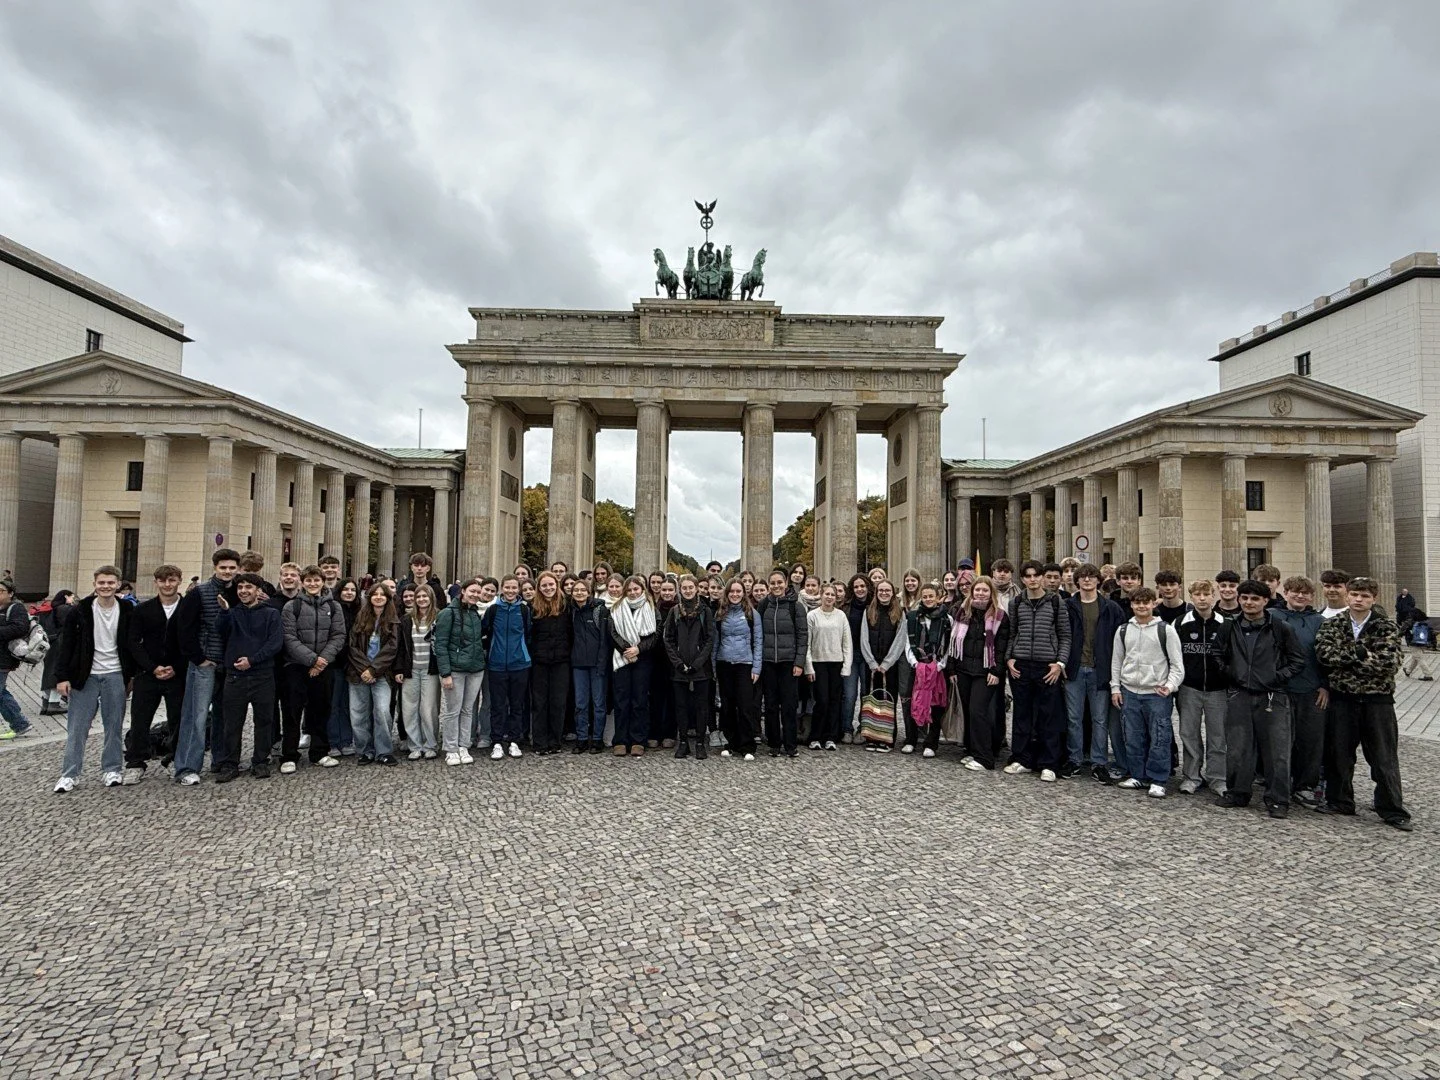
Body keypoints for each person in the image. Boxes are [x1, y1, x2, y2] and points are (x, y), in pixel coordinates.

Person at [1313, 576, 1412, 831]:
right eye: (1355, 595)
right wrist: (1361, 654)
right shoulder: (1333, 624)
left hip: (1377, 701)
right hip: (1343, 699)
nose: (1359, 600)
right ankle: (1340, 801)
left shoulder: (1385, 626)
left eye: (1365, 596)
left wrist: (1349, 659)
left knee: (1383, 758)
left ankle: (1392, 809)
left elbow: (1389, 663)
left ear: (1373, 599)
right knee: (1339, 755)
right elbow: (1325, 655)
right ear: (1348, 596)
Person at [1216, 580, 1305, 818]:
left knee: (1277, 752)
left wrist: (1276, 677)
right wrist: (1232, 674)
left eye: (1254, 599)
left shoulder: (1280, 627)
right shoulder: (1229, 626)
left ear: (1265, 601)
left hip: (1273, 696)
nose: (1249, 603)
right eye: (1244, 598)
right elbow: (1217, 654)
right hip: (1240, 693)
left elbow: (1297, 660)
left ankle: (1277, 800)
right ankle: (1237, 792)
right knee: (1238, 748)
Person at [53, 566, 136, 792]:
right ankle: (70, 774)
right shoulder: (80, 610)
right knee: (77, 728)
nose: (106, 586)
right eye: (101, 582)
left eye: (110, 582)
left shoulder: (128, 609)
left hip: (115, 673)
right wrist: (61, 677)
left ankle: (112, 769)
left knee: (114, 725)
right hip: (85, 675)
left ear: (118, 585)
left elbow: (133, 644)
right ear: (94, 584)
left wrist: (132, 675)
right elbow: (66, 645)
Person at [172, 548, 242, 786]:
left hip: (228, 664)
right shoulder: (199, 593)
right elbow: (185, 629)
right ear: (215, 568)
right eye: (223, 568)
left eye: (231, 568)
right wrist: (198, 658)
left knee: (224, 716)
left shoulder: (239, 591)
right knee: (196, 716)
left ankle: (221, 760)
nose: (227, 572)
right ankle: (187, 767)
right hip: (205, 663)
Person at [1110, 587, 1185, 799]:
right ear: (1132, 605)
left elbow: (1177, 664)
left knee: (1159, 737)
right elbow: (1117, 661)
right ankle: (1138, 775)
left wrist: (1170, 686)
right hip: (1130, 690)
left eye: (1146, 602)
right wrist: (1115, 687)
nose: (1141, 606)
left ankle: (1158, 779)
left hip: (1156, 693)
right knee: (1133, 737)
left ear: (1153, 604)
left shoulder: (1166, 630)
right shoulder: (1123, 630)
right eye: (1137, 602)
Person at [213, 572, 286, 783]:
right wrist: (224, 611)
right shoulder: (232, 613)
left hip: (262, 674)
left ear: (258, 590)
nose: (243, 591)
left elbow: (275, 643)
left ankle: (260, 761)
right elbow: (221, 632)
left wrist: (252, 660)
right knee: (232, 722)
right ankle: (230, 763)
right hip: (235, 676)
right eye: (240, 587)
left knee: (264, 720)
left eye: (248, 587)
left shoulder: (271, 614)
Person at [1005, 561, 1071, 782]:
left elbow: (1065, 635)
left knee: (1049, 716)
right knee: (1022, 714)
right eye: (1028, 576)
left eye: (1036, 575)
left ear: (1042, 577)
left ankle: (1049, 763)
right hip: (1021, 664)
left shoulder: (1055, 602)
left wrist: (1060, 663)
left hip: (1047, 665)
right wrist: (1009, 658)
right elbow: (1012, 633)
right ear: (1023, 579)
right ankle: (1022, 758)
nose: (1032, 579)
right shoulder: (1016, 603)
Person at [121, 564, 187, 782]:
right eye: (163, 581)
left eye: (172, 580)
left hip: (177, 673)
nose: (167, 585)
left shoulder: (187, 608)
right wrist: (151, 667)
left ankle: (176, 757)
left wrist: (176, 666)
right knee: (140, 719)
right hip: (148, 673)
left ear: (179, 581)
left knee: (178, 718)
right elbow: (133, 642)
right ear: (156, 582)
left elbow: (191, 641)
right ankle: (135, 762)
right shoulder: (143, 609)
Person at [279, 564, 346, 772]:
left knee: (321, 710)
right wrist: (312, 660)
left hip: (324, 666)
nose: (313, 583)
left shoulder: (334, 606)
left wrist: (322, 660)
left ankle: (319, 752)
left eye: (316, 580)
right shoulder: (291, 606)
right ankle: (289, 755)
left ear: (323, 582)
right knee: (292, 712)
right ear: (302, 582)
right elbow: (289, 637)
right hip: (296, 666)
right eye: (308, 580)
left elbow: (338, 635)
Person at [1063, 563, 1125, 783]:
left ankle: (1099, 762)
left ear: (1098, 580)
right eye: (1083, 577)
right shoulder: (1068, 606)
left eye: (1091, 576)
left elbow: (1120, 641)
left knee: (1100, 719)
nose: (1087, 580)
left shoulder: (1111, 608)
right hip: (1074, 669)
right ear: (1077, 581)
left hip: (1101, 670)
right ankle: (1075, 759)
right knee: (1074, 718)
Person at [1271, 576, 1329, 807]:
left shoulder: (1320, 622)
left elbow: (1326, 656)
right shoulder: (1272, 616)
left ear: (1312, 597)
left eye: (1305, 593)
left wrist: (1325, 685)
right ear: (1285, 593)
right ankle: (1278, 784)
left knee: (1310, 741)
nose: (1300, 596)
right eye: (1295, 591)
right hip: (1279, 688)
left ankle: (1305, 786)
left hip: (1311, 689)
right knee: (1279, 741)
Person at [1175, 580, 1230, 796]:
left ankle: (1218, 778)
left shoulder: (1225, 624)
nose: (1202, 598)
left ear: (1213, 596)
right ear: (1191, 597)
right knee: (1189, 734)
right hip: (1190, 687)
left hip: (1218, 689)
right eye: (1197, 594)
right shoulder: (1181, 623)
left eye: (1206, 594)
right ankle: (1191, 776)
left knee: (1218, 736)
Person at [950, 575, 1009, 771]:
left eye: (985, 590)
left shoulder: (1000, 616)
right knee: (968, 711)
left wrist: (996, 670)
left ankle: (985, 757)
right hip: (964, 669)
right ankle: (972, 750)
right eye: (978, 590)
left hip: (985, 671)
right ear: (972, 591)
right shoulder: (963, 612)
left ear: (991, 593)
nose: (981, 593)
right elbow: (954, 642)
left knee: (979, 711)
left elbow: (1001, 647)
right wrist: (952, 668)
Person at [345, 582, 405, 767]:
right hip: (358, 673)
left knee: (382, 712)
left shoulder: (394, 621)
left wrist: (373, 670)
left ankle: (384, 751)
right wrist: (364, 669)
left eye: (382, 594)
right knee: (358, 714)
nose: (378, 597)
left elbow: (392, 649)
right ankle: (365, 751)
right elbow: (352, 646)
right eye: (375, 594)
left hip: (382, 674)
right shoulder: (360, 618)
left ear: (388, 598)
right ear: (369, 597)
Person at [759, 569, 809, 758]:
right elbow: (758, 633)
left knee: (789, 705)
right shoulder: (764, 605)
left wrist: (799, 662)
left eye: (779, 582)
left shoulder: (796, 607)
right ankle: (774, 743)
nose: (776, 586)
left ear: (786, 583)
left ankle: (790, 744)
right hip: (768, 661)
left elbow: (802, 636)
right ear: (769, 585)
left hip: (789, 662)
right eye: (772, 583)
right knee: (771, 705)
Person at [481, 575, 532, 760]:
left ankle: (514, 740)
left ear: (518, 590)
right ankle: (496, 741)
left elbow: (528, 634)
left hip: (519, 664)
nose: (511, 591)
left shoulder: (524, 610)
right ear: (502, 589)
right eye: (507, 587)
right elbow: (485, 632)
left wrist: (522, 653)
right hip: (497, 664)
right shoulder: (493, 610)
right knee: (498, 705)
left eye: (514, 588)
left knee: (517, 705)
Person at [664, 574, 715, 759]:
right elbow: (668, 639)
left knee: (701, 706)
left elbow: (710, 639)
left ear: (696, 589)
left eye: (690, 587)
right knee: (681, 706)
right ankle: (683, 741)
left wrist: (697, 663)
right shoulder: (674, 611)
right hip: (679, 667)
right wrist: (677, 662)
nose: (687, 591)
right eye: (684, 588)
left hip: (701, 668)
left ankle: (700, 742)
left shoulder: (705, 611)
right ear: (680, 589)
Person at [435, 579, 485, 766]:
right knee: (452, 710)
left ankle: (464, 745)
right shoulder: (447, 613)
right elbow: (440, 645)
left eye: (478, 592)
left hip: (475, 669)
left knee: (467, 710)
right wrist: (445, 673)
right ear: (463, 591)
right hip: (455, 669)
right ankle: (451, 748)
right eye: (472, 591)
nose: (475, 595)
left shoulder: (475, 613)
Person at [610, 575, 658, 756]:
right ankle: (621, 740)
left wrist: (638, 649)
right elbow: (612, 632)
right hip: (622, 657)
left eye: (636, 589)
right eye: (629, 590)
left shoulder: (651, 607)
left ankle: (638, 740)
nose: (632, 592)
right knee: (621, 700)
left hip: (643, 658)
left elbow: (655, 634)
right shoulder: (616, 608)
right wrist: (626, 650)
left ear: (642, 590)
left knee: (640, 700)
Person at [715, 578, 763, 760]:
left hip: (745, 664)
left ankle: (747, 744)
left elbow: (758, 641)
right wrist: (714, 666)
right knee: (727, 706)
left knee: (745, 706)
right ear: (727, 593)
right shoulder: (720, 613)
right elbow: (716, 641)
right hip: (724, 662)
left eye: (738, 591)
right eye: (732, 591)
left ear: (743, 593)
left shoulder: (752, 614)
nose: (735, 594)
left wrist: (756, 667)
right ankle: (731, 742)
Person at [901, 583, 950, 757]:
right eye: (925, 596)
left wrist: (940, 665)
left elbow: (949, 645)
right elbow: (908, 642)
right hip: (917, 665)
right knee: (913, 701)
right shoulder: (912, 617)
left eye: (931, 596)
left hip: (937, 667)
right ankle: (911, 739)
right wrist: (914, 663)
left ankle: (931, 743)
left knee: (936, 704)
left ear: (938, 598)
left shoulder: (947, 619)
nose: (928, 599)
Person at [859, 578, 906, 753]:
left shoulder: (899, 612)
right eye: (881, 591)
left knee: (888, 701)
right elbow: (863, 637)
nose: (884, 593)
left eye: (887, 590)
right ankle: (872, 736)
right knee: (871, 700)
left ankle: (887, 738)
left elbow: (900, 639)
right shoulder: (868, 611)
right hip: (871, 664)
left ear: (892, 593)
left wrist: (887, 663)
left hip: (890, 665)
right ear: (876, 593)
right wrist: (871, 662)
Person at [804, 582, 852, 752]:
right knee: (821, 700)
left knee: (834, 701)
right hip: (819, 663)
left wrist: (846, 666)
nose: (830, 597)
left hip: (836, 663)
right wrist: (808, 666)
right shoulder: (812, 616)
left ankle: (831, 737)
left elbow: (847, 642)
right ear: (821, 595)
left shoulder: (841, 616)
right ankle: (815, 736)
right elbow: (807, 643)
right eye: (827, 594)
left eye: (832, 594)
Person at [529, 570, 572, 755]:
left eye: (551, 585)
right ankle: (540, 742)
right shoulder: (532, 606)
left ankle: (555, 741)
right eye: (544, 585)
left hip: (561, 660)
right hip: (539, 660)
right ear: (539, 587)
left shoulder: (566, 605)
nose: (548, 588)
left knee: (558, 702)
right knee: (539, 702)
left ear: (557, 585)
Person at [399, 584, 441, 761]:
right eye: (419, 597)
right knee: (409, 708)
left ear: (431, 598)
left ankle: (430, 744)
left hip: (431, 670)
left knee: (428, 708)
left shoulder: (439, 617)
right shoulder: (407, 619)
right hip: (411, 669)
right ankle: (414, 745)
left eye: (425, 596)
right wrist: (400, 669)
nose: (422, 600)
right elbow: (401, 646)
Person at [569, 578, 610, 755]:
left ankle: (598, 739)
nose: (579, 593)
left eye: (582, 590)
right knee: (580, 703)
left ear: (588, 592)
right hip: (578, 663)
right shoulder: (570, 611)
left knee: (599, 703)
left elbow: (604, 639)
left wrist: (602, 662)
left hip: (596, 663)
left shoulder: (599, 610)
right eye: (576, 590)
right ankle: (582, 738)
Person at [0, 578, 36, 739]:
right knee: (2, 692)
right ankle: (20, 724)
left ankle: (19, 723)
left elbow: (19, 628)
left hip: (3, 658)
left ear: (10, 593)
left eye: (1, 591)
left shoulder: (16, 608)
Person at [838, 575, 871, 743]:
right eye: (856, 586)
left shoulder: (874, 605)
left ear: (868, 587)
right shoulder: (845, 607)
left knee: (866, 694)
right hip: (850, 655)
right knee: (849, 695)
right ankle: (846, 729)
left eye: (862, 586)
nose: (860, 589)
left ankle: (863, 728)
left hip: (868, 656)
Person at [649, 576, 679, 748]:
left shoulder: (679, 610)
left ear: (675, 591)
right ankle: (654, 732)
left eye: (670, 590)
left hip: (673, 659)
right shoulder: (653, 609)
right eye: (664, 589)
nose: (667, 593)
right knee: (656, 697)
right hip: (656, 657)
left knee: (672, 696)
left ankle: (669, 733)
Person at [38, 589, 76, 715]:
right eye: (72, 597)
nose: (73, 600)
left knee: (48, 672)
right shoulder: (64, 609)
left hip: (50, 643)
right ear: (66, 596)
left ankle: (46, 703)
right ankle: (54, 704)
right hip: (61, 643)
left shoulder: (49, 608)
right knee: (57, 673)